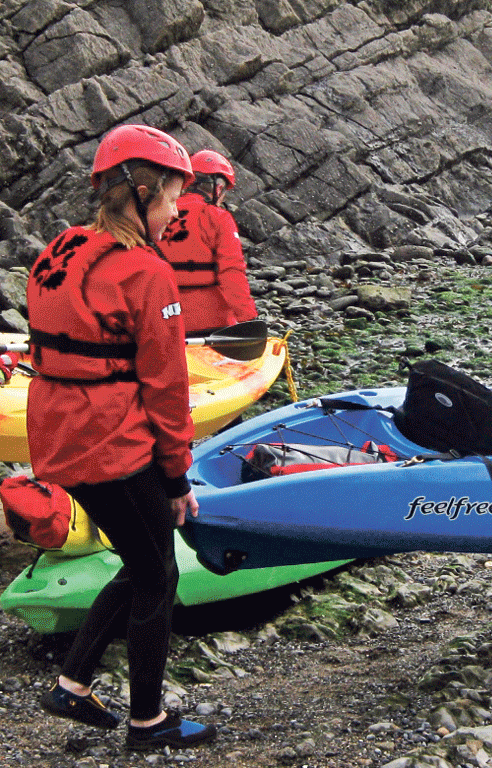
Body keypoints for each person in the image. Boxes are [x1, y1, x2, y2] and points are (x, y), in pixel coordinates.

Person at [29, 124, 216, 750]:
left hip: (59, 440)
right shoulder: (145, 274)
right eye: (170, 200)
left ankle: (73, 685)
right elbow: (165, 389)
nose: (175, 213)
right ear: (141, 193)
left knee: (138, 562)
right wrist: (176, 478)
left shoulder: (58, 250)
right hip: (109, 445)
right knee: (159, 574)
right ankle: (148, 722)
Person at [159, 149, 257, 336]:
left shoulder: (158, 213)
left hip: (163, 319)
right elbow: (232, 273)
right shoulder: (218, 218)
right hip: (211, 324)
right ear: (218, 188)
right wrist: (249, 321)